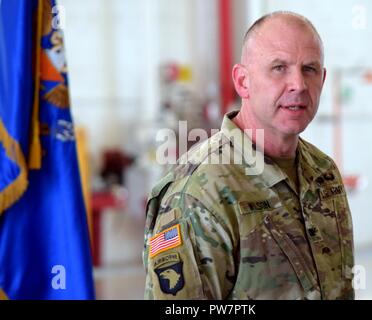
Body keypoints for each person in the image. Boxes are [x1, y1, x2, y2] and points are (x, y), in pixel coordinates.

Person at [143, 11, 355, 300]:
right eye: (279, 67)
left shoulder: (323, 172)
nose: (299, 84)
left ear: (323, 79)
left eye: (310, 69)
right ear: (243, 82)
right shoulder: (198, 192)